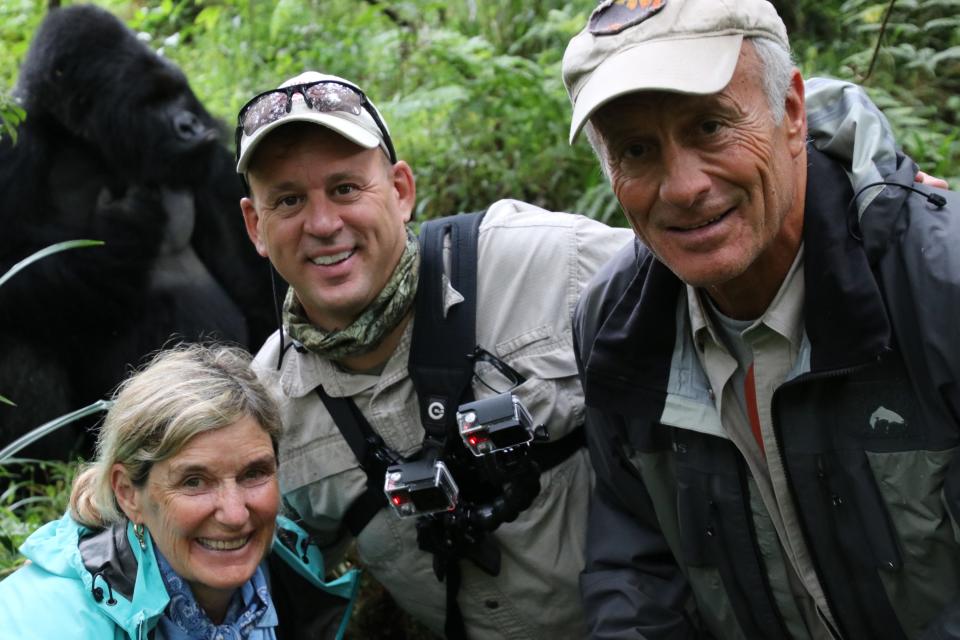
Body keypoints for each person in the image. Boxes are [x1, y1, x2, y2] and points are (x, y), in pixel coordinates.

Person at [233, 67, 919, 639]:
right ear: (254, 225)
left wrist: (873, 206)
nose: (323, 224)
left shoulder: (543, 261)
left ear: (402, 190)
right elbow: (244, 572)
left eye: (346, 188)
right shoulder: (268, 408)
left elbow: (717, 249)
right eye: (288, 200)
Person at [563, 1, 959, 639]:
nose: (683, 186)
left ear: (792, 113)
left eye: (711, 126)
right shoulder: (616, 325)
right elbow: (637, 558)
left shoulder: (936, 284)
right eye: (637, 149)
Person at [0, 344, 358, 640]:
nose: (235, 515)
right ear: (127, 494)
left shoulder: (292, 564)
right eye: (194, 481)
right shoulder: (45, 623)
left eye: (254, 473)